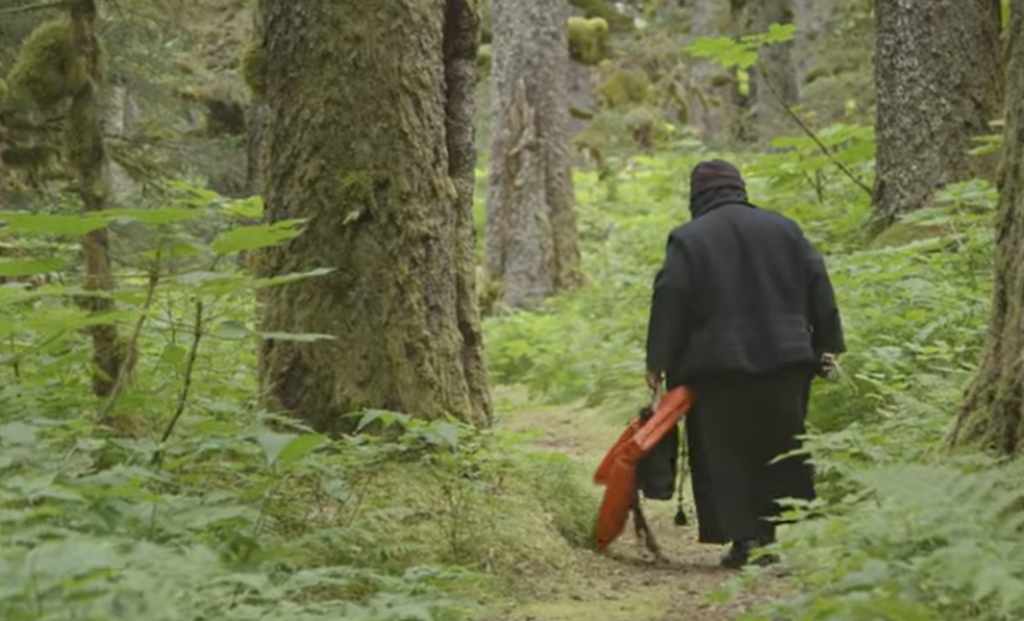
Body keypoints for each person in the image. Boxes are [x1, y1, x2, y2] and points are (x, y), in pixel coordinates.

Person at [644, 159, 845, 569]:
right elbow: (817, 281)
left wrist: (658, 361)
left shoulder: (688, 238)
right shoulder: (785, 229)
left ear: (696, 195)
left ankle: (743, 540)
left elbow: (671, 297)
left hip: (715, 372)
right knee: (777, 447)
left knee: (724, 453)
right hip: (787, 364)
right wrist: (828, 344)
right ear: (740, 188)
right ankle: (769, 539)